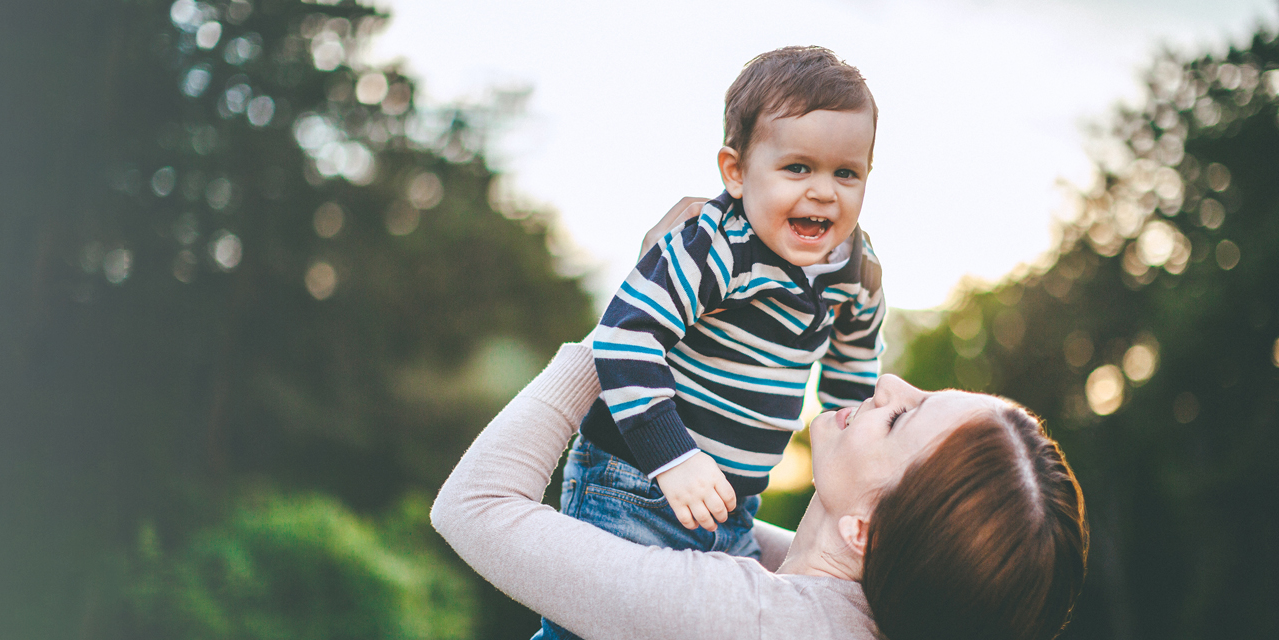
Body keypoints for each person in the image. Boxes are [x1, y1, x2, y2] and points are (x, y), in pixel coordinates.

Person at [547, 48, 888, 640]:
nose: (824, 192)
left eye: (846, 173)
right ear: (736, 171)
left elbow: (854, 370)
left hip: (733, 505)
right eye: (798, 168)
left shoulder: (858, 270)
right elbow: (626, 336)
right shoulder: (713, 246)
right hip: (635, 481)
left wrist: (852, 475)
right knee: (590, 630)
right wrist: (673, 458)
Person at [432, 342, 1087, 640]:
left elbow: (474, 505)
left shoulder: (745, 622)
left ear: (865, 530)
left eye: (900, 419)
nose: (888, 385)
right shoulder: (850, 606)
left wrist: (615, 349)